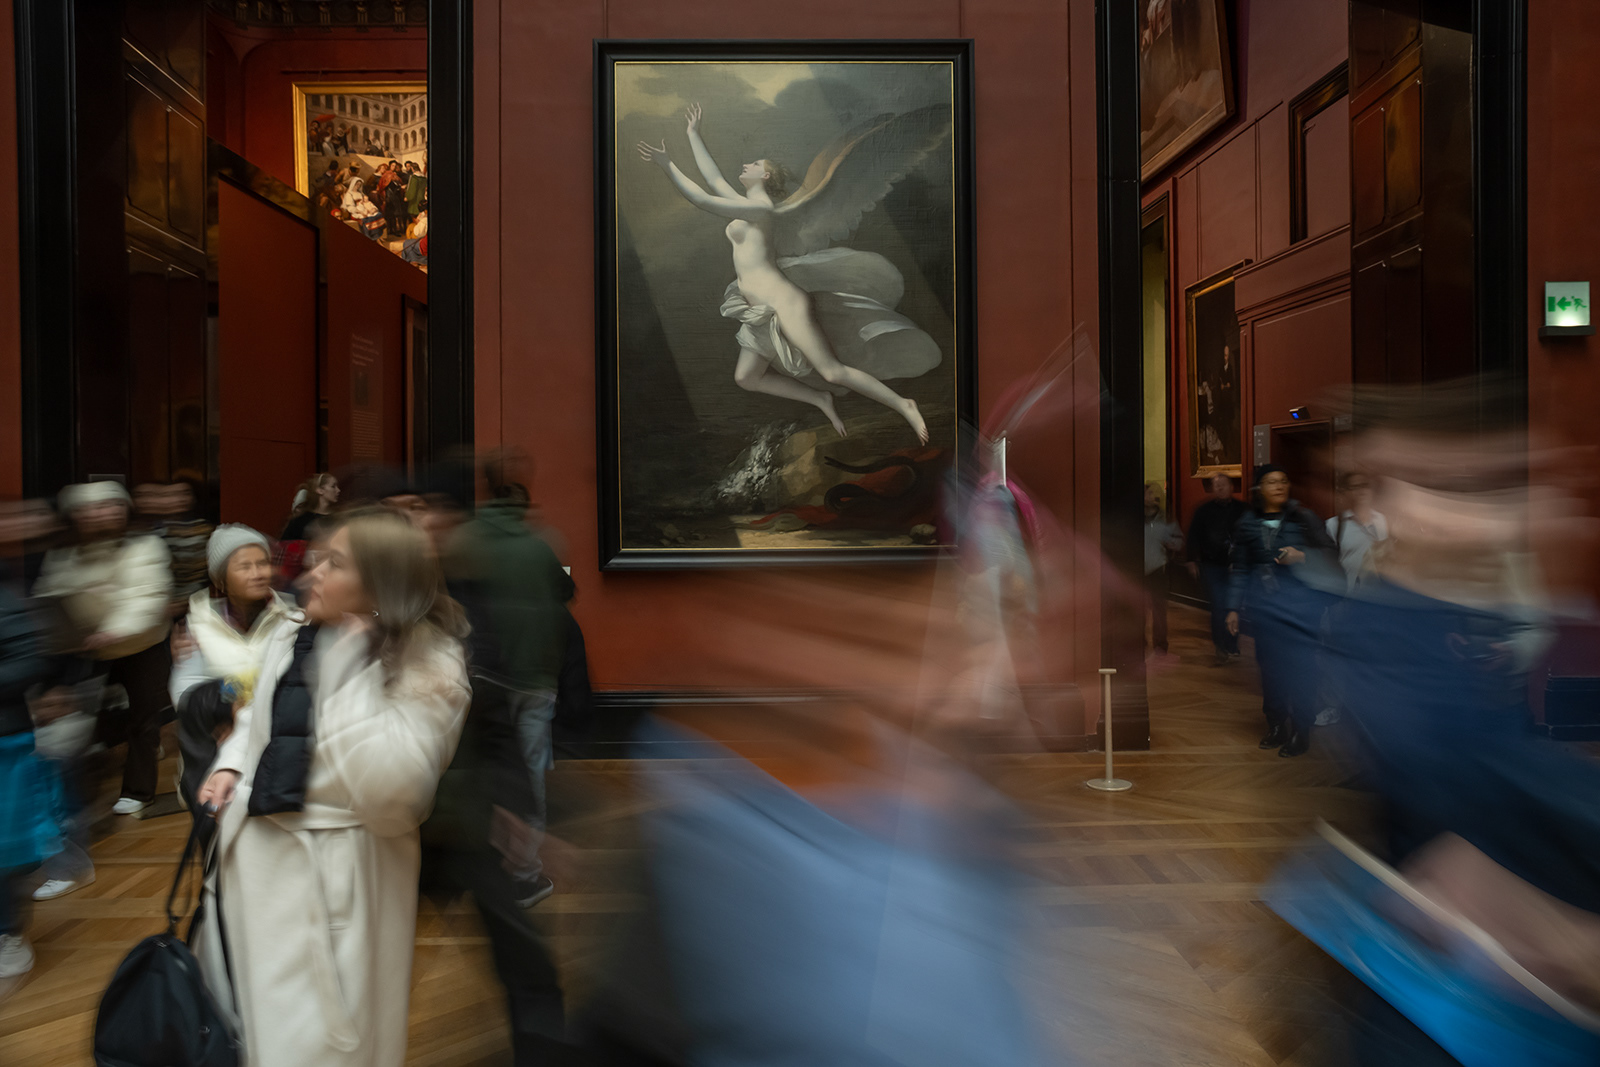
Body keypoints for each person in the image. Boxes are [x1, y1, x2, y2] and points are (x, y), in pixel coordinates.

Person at [195, 508, 470, 1066]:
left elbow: (395, 793)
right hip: (254, 864)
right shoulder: (295, 632)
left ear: (380, 584)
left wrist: (345, 669)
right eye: (318, 559)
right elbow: (260, 719)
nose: (312, 573)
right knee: (250, 1027)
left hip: (337, 875)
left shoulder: (429, 663)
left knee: (322, 1043)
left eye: (335, 564)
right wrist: (231, 765)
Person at [637, 102, 942, 443]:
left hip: (784, 303)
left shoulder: (761, 209)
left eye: (755, 164)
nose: (746, 165)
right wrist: (693, 134)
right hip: (758, 309)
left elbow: (703, 200)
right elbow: (713, 180)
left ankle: (904, 404)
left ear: (765, 177)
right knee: (747, 378)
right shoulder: (748, 206)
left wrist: (667, 165)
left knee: (832, 370)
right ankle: (819, 398)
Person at [446, 463, 574, 907]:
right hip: (536, 676)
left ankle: (475, 866)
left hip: (482, 678)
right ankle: (524, 873)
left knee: (478, 770)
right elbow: (565, 592)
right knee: (530, 774)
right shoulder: (541, 545)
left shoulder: (464, 540)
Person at [34, 482, 172, 814]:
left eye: (112, 506)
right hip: (89, 652)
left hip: (143, 647)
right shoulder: (64, 557)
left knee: (143, 721)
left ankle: (138, 791)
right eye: (93, 509)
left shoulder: (146, 547)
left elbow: (147, 597)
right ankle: (72, 800)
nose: (103, 514)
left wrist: (114, 629)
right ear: (77, 516)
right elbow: (51, 600)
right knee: (81, 724)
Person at [169, 525, 301, 817]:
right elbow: (186, 689)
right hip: (213, 743)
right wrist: (228, 703)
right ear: (221, 579)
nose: (257, 573)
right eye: (244, 566)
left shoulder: (293, 618)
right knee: (213, 822)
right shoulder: (198, 623)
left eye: (262, 563)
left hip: (273, 741)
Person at [1225, 466, 1338, 757]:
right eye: (1271, 482)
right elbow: (1241, 568)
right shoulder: (1247, 523)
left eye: (1283, 481)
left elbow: (1331, 555)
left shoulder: (1304, 518)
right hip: (1266, 611)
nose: (1278, 486)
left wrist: (1303, 556)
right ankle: (1276, 725)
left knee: (1302, 670)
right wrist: (1232, 607)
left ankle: (1301, 729)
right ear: (1259, 489)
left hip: (1303, 610)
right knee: (1271, 670)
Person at [0, 540, 62, 979]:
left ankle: (9, 933)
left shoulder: (4, 600)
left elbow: (29, 660)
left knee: (5, 849)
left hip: (4, 743)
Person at [1185, 472, 1246, 664]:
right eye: (1216, 485)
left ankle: (1231, 644)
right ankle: (1221, 646)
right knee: (1219, 606)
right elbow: (1193, 536)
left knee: (1234, 606)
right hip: (1212, 565)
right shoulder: (1203, 511)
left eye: (1223, 484)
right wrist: (1191, 560)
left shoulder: (1243, 510)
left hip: (1237, 566)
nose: (1219, 488)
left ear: (1231, 487)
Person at [1326, 471, 1388, 592]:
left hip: (1378, 594)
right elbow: (1328, 563)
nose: (1362, 491)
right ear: (1345, 492)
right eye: (1355, 487)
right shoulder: (1334, 525)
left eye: (1365, 485)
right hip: (1347, 594)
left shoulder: (1381, 520)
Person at [1143, 483, 1184, 659]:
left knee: (1159, 610)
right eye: (1149, 493)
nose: (1153, 496)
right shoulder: (1135, 518)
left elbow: (1179, 540)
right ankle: (1139, 642)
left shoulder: (1165, 519)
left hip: (1158, 569)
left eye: (1155, 493)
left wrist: (1172, 544)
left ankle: (1160, 647)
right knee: (1138, 608)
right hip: (1138, 569)